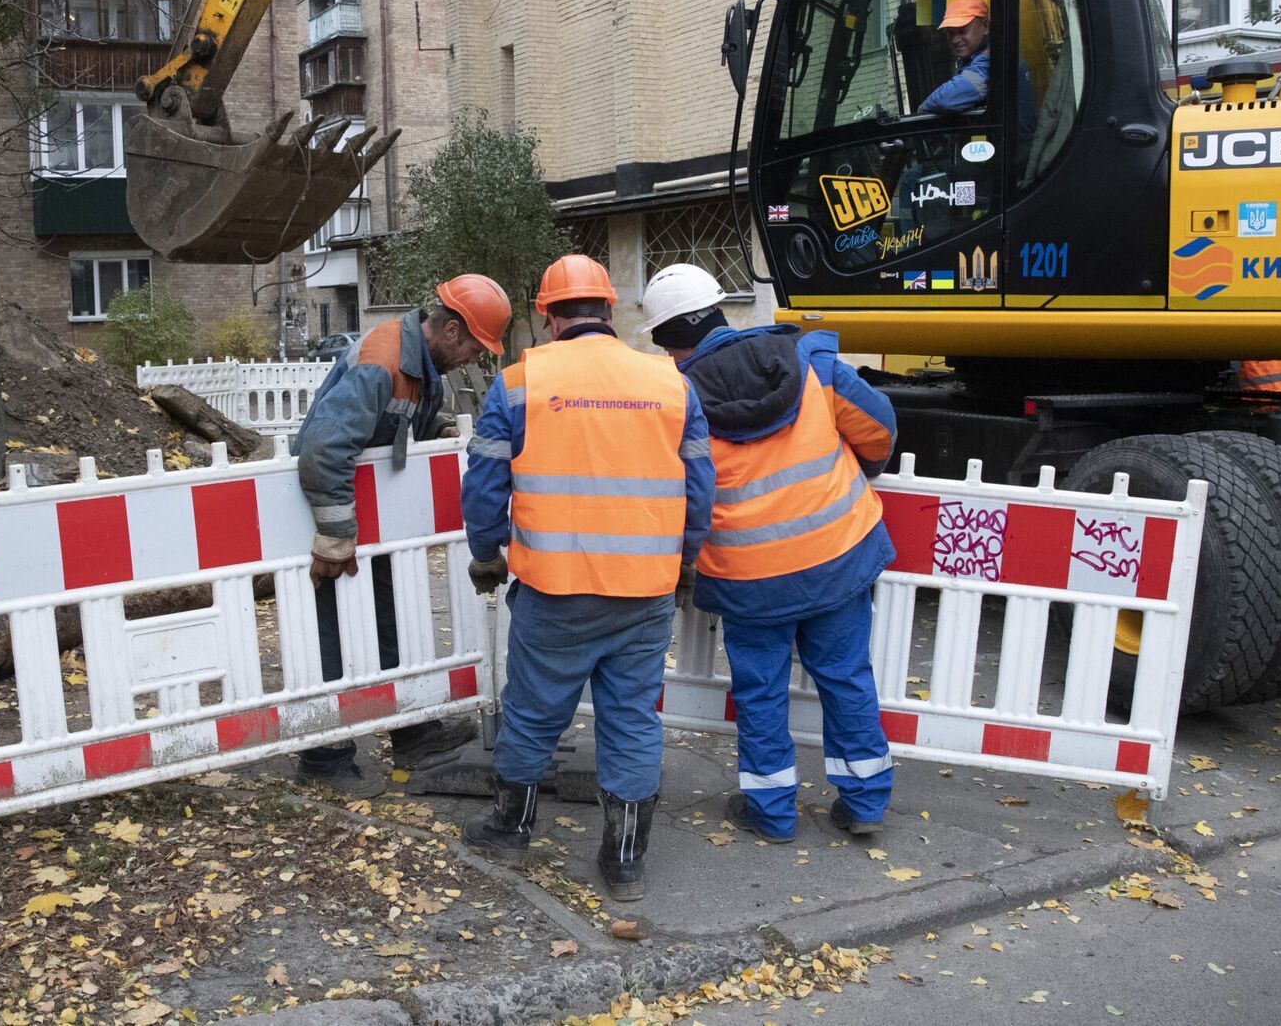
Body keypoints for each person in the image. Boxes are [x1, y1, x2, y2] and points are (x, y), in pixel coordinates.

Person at [458, 254, 714, 901]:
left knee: (535, 711)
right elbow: (700, 489)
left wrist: (487, 555)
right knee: (631, 719)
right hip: (644, 592)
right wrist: (683, 564)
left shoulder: (519, 382)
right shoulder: (670, 383)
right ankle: (624, 860)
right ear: (610, 310)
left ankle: (510, 829)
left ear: (548, 316)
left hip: (555, 589)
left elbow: (485, 487)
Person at [639, 263, 900, 844]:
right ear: (720, 310)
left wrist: (681, 565)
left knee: (759, 693)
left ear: (664, 341)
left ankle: (773, 814)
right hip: (837, 557)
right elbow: (879, 429)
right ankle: (863, 805)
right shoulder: (810, 365)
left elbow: (676, 492)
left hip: (750, 577)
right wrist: (866, 469)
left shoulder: (674, 399)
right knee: (846, 677)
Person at [293, 274, 514, 796]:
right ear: (453, 330)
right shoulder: (384, 359)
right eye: (476, 349)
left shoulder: (419, 360)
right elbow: (324, 449)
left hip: (369, 512)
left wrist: (431, 428)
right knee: (334, 630)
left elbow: (397, 412)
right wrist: (335, 534)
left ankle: (411, 731)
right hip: (332, 510)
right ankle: (325, 754)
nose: (475, 361)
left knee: (389, 617)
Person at [918, 0, 1038, 135]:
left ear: (985, 25)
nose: (955, 40)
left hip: (1018, 148)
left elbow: (949, 97)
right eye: (951, 33)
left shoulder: (993, 57)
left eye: (962, 31)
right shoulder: (973, 56)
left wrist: (922, 111)